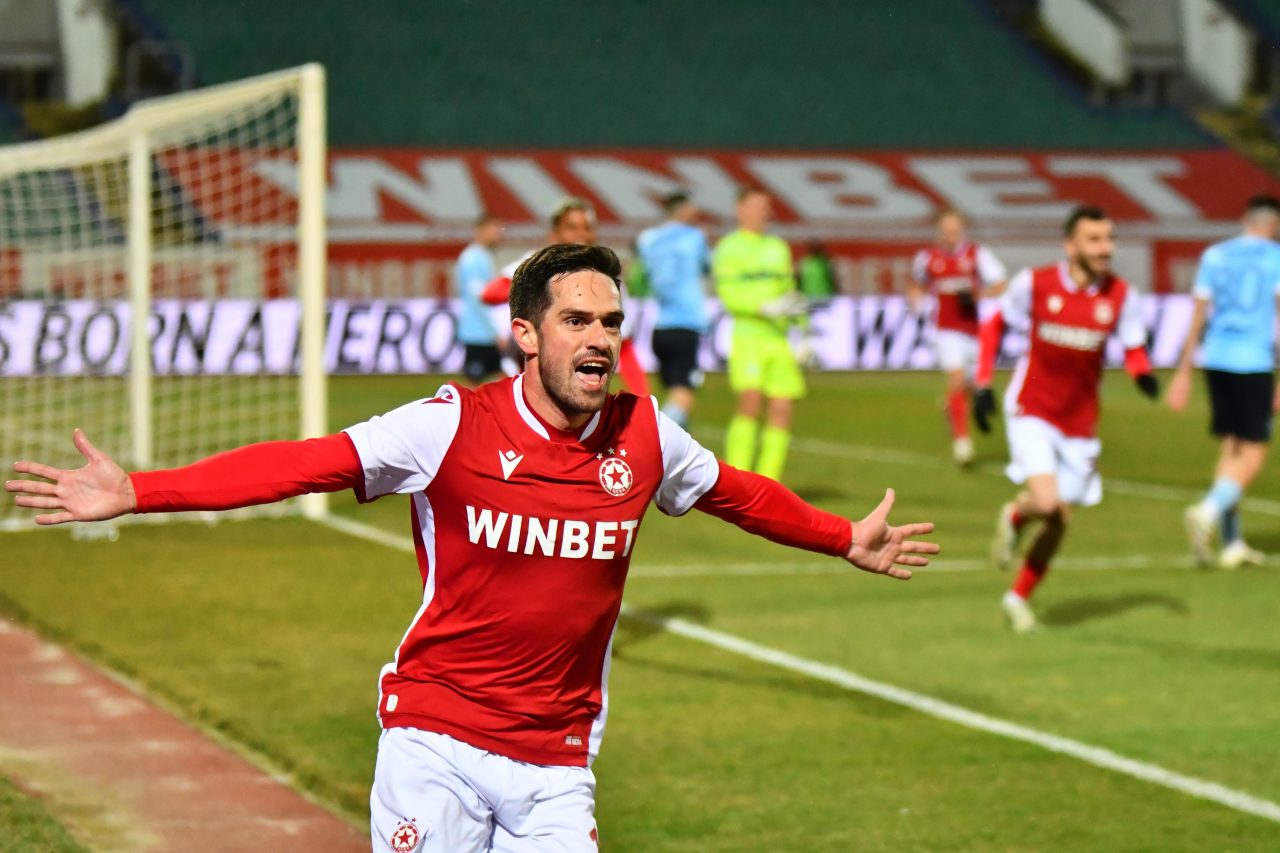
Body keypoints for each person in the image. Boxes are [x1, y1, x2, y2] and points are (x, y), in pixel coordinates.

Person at [6, 243, 938, 852]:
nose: (601, 341)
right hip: (437, 737)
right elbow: (302, 463)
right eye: (577, 321)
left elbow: (737, 492)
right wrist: (141, 490)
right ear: (525, 334)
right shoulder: (448, 425)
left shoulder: (646, 434)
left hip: (559, 762)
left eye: (612, 322)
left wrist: (842, 536)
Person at [972, 205, 1158, 633]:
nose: (1106, 248)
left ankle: (1017, 597)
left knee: (1060, 518)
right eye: (1095, 240)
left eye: (1109, 239)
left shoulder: (1121, 295)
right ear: (1070, 246)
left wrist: (1142, 374)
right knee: (1046, 502)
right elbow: (995, 324)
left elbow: (1133, 345)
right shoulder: (1035, 283)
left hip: (1080, 422)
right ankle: (1020, 512)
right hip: (1032, 407)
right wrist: (982, 383)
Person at [1167, 194, 1280, 569]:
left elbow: (1197, 314)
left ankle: (1232, 542)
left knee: (1232, 448)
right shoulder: (1275, 257)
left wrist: (1183, 371)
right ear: (1273, 224)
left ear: (1246, 220)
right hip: (1253, 362)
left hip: (1216, 358)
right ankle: (1208, 511)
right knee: (1255, 451)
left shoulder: (1215, 255)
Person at [483, 197, 651, 394]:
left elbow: (626, 346)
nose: (581, 234)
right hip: (528, 385)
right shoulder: (536, 265)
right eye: (572, 227)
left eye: (587, 227)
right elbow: (489, 293)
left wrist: (642, 397)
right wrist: (538, 285)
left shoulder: (607, 279)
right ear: (554, 234)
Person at [713, 186, 808, 481]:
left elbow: (790, 293)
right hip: (749, 336)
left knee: (782, 408)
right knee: (750, 401)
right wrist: (762, 307)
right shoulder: (729, 248)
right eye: (755, 207)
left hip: (778, 339)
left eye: (765, 208)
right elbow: (728, 294)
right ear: (739, 209)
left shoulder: (778, 247)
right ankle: (739, 479)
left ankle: (769, 483)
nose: (761, 213)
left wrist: (803, 333)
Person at [908, 209, 1007, 466]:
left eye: (954, 229)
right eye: (946, 229)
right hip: (944, 330)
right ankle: (962, 442)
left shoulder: (977, 254)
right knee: (956, 379)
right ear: (939, 231)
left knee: (972, 387)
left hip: (973, 331)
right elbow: (916, 283)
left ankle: (954, 404)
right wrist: (915, 299)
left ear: (961, 230)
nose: (950, 234)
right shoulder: (927, 257)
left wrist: (978, 295)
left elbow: (1001, 284)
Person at [636, 189, 710, 429]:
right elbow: (708, 267)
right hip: (685, 324)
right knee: (683, 395)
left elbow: (643, 274)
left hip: (660, 327)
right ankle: (650, 434)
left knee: (673, 391)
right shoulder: (694, 237)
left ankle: (671, 448)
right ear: (682, 209)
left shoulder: (648, 239)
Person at [454, 213, 505, 385]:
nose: (498, 234)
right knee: (474, 385)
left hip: (483, 331)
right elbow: (478, 299)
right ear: (481, 230)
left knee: (504, 379)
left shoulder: (482, 256)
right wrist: (494, 332)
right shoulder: (472, 259)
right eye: (494, 229)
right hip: (478, 333)